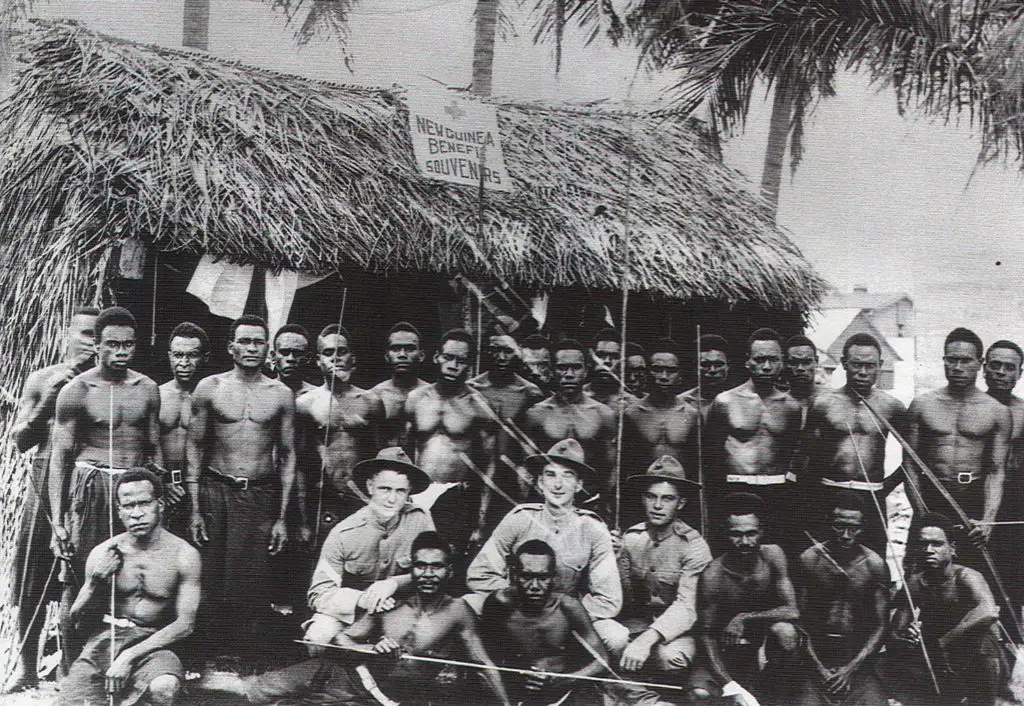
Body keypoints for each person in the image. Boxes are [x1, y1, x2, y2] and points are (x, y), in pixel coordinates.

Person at [198, 531, 511, 706]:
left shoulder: (458, 611)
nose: (428, 574)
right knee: (251, 690)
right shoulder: (391, 603)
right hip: (343, 673)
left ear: (449, 571)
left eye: (436, 566)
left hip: (382, 698)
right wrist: (371, 648)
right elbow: (341, 638)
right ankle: (203, 681)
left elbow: (483, 665)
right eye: (421, 566)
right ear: (412, 569)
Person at [185, 314, 296, 659]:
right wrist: (195, 508)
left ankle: (244, 657)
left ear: (268, 348)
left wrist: (282, 517)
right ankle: (204, 656)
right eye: (244, 341)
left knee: (251, 578)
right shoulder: (210, 388)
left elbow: (288, 455)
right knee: (209, 574)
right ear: (230, 346)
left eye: (258, 342)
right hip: (215, 489)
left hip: (260, 493)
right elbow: (194, 447)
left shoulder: (281, 394)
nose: (251, 348)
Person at [466, 439, 627, 655]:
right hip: (517, 608)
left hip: (568, 615)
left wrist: (561, 613)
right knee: (468, 604)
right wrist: (518, 600)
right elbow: (479, 574)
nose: (557, 485)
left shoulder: (593, 529)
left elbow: (609, 600)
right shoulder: (520, 519)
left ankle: (581, 673)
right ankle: (475, 669)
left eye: (567, 475)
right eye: (550, 475)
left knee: (616, 637)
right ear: (540, 483)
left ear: (579, 485)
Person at [8, 305, 97, 691]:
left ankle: (69, 668)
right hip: (44, 476)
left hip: (84, 478)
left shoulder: (106, 385)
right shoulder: (43, 378)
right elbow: (19, 440)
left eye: (97, 336)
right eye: (85, 334)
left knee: (76, 575)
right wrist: (49, 399)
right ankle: (27, 667)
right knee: (32, 574)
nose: (91, 343)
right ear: (67, 335)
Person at [57, 468, 200, 706]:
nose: (136, 514)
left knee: (164, 687)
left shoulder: (183, 555)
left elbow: (185, 625)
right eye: (128, 506)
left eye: (144, 503)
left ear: (160, 504)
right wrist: (93, 582)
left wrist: (129, 655)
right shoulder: (103, 553)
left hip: (153, 644)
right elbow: (76, 620)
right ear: (119, 511)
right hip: (104, 640)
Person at [50, 307, 163, 586]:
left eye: (128, 344)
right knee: (82, 568)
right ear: (97, 345)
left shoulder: (148, 388)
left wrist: (159, 496)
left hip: (135, 487)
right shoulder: (77, 390)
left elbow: (154, 446)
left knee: (136, 572)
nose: (121, 352)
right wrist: (58, 522)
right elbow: (60, 457)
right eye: (113, 344)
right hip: (93, 486)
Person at [303, 447, 434, 647]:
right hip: (354, 614)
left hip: (404, 610)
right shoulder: (344, 533)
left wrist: (395, 583)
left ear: (408, 493)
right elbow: (319, 594)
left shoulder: (420, 520)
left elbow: (437, 571)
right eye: (384, 489)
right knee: (318, 637)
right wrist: (361, 599)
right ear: (370, 486)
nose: (392, 499)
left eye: (401, 491)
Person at [881, 512, 1008, 706]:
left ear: (952, 548)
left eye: (937, 544)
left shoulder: (966, 577)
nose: (929, 550)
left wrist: (942, 643)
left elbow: (988, 611)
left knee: (984, 645)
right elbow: (894, 633)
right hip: (938, 659)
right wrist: (907, 637)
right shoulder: (915, 583)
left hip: (976, 657)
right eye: (923, 544)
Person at [906, 328, 1011, 560]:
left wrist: (987, 520)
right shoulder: (922, 405)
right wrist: (921, 512)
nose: (957, 367)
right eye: (952, 360)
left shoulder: (997, 412)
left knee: (971, 570)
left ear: (980, 363)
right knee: (921, 569)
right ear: (944, 360)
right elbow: (910, 465)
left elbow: (996, 472)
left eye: (965, 361)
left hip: (972, 502)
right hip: (931, 497)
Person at [613, 456, 711, 704]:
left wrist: (646, 641)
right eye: (651, 497)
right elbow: (623, 598)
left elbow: (686, 607)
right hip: (635, 624)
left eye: (667, 499)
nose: (657, 506)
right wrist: (615, 558)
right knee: (611, 644)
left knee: (671, 660)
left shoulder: (694, 546)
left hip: (676, 632)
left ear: (681, 503)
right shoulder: (631, 538)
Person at [689, 492, 801, 704]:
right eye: (736, 535)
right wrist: (730, 685)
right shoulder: (713, 576)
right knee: (700, 694)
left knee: (786, 632)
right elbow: (706, 636)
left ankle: (776, 697)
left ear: (762, 531)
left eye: (751, 534)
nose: (745, 542)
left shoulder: (773, 556)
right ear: (725, 534)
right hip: (725, 649)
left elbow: (792, 610)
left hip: (762, 644)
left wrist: (744, 618)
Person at [803, 333, 909, 557]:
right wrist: (816, 496)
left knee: (873, 561)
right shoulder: (823, 403)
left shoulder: (892, 407)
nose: (863, 372)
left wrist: (884, 487)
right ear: (844, 363)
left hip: (871, 495)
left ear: (880, 365)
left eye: (870, 365)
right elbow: (807, 455)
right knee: (824, 561)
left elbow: (912, 457)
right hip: (830, 493)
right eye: (856, 364)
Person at [704, 328, 803, 554]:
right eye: (759, 359)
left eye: (773, 360)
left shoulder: (791, 407)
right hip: (734, 488)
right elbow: (711, 457)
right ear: (747, 361)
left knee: (775, 553)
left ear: (782, 362)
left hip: (776, 491)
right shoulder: (725, 401)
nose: (766, 367)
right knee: (732, 554)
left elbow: (792, 453)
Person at [481, 539, 611, 706]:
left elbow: (601, 660)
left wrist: (563, 680)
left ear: (553, 577)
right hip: (515, 693)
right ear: (514, 575)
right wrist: (515, 676)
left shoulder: (567, 607)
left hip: (563, 692)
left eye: (543, 577)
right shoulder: (499, 604)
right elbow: (486, 658)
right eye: (526, 576)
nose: (535, 586)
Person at [404, 328, 498, 555]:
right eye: (448, 357)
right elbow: (403, 453)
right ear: (437, 357)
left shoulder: (478, 406)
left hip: (456, 499)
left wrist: (481, 522)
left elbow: (489, 465)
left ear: (470, 365)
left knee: (449, 562)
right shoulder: (416, 399)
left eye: (461, 360)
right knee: (411, 559)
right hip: (417, 495)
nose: (453, 365)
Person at [794, 492, 889, 706]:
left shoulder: (874, 565)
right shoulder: (809, 560)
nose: (846, 535)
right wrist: (819, 669)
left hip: (857, 660)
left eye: (854, 528)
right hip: (815, 659)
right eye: (839, 527)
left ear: (863, 528)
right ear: (829, 524)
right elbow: (798, 620)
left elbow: (881, 624)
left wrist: (851, 669)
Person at [297, 324, 387, 540]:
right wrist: (303, 519)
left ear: (352, 358)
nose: (335, 358)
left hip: (362, 497)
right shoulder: (305, 404)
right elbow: (299, 464)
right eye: (328, 353)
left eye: (342, 352)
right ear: (318, 360)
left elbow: (382, 457)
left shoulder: (371, 402)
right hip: (323, 498)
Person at [522, 339, 617, 498]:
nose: (569, 374)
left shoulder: (603, 414)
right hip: (547, 498)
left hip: (589, 499)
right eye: (562, 367)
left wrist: (604, 504)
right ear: (552, 371)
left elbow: (611, 468)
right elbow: (527, 469)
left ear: (586, 370)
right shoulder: (537, 414)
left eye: (576, 367)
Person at [467, 324, 545, 501]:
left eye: (508, 351)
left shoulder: (530, 393)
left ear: (518, 352)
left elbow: (534, 444)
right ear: (486, 351)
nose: (501, 357)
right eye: (495, 350)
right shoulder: (472, 389)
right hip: (476, 477)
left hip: (515, 479)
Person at [984, 339, 1024, 629]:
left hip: (1014, 500)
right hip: (975, 495)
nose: (1000, 372)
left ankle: (1011, 638)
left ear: (1020, 373)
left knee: (1012, 572)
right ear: (984, 367)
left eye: (1009, 367)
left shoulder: (1023, 411)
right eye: (995, 365)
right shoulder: (970, 405)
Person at [157, 322, 209, 539]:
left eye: (192, 355)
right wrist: (161, 483)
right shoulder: (156, 395)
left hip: (202, 488)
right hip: (162, 487)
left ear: (205, 357)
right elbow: (144, 444)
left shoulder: (212, 398)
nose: (184, 363)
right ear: (170, 356)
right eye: (178, 355)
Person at [622, 339, 701, 474]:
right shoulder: (632, 413)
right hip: (643, 483)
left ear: (680, 376)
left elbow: (697, 464)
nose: (664, 377)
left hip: (678, 483)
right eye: (657, 370)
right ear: (647, 373)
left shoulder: (692, 415)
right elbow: (625, 464)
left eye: (671, 370)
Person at [370, 322, 429, 447]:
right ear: (387, 356)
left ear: (421, 355)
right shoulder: (374, 396)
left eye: (410, 349)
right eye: (396, 349)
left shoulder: (432, 394)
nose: (402, 355)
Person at [584, 328, 639, 410]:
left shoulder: (633, 405)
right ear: (590, 359)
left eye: (614, 356)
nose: (607, 361)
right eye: (600, 355)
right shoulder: (575, 396)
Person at [681, 333, 730, 421]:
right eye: (705, 364)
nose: (712, 370)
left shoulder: (737, 401)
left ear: (727, 366)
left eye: (718, 364)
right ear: (695, 367)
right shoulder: (681, 402)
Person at [272, 323, 317, 396]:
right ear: (273, 356)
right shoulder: (262, 393)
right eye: (284, 352)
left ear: (308, 358)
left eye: (297, 353)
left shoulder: (316, 396)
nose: (291, 359)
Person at [783, 335, 819, 423]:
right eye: (794, 362)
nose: (800, 368)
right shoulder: (779, 404)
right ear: (785, 363)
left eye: (806, 362)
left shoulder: (833, 401)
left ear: (816, 362)